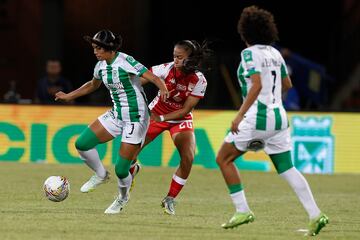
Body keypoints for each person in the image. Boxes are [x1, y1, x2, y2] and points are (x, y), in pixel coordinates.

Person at [215, 6, 328, 236]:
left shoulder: (249, 54)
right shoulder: (275, 53)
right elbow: (287, 85)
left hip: (257, 116)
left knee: (224, 158)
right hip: (279, 118)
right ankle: (316, 215)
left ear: (244, 31)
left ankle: (243, 210)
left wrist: (240, 115)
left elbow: (255, 84)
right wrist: (272, 99)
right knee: (287, 167)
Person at [55, 29, 169, 214]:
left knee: (122, 170)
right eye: (94, 48)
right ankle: (101, 175)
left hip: (136, 118)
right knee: (82, 143)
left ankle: (122, 199)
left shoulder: (126, 61)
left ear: (109, 48)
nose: (95, 52)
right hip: (117, 115)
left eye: (98, 48)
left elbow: (152, 76)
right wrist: (69, 96)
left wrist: (163, 88)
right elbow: (93, 84)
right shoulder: (100, 66)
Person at [131, 40, 210, 215]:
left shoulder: (199, 80)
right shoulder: (164, 69)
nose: (175, 60)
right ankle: (133, 169)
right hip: (155, 112)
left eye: (179, 57)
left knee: (188, 158)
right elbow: (137, 81)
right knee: (129, 153)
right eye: (174, 56)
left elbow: (185, 110)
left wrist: (161, 118)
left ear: (190, 59)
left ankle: (170, 198)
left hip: (178, 118)